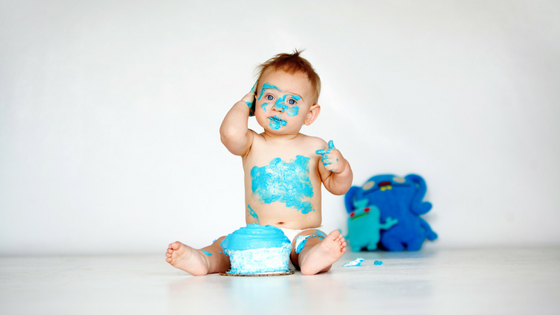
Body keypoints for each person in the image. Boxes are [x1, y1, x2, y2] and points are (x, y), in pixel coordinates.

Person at [166, 50, 353, 275]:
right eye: (269, 96)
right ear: (256, 100)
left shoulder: (317, 147)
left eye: (292, 100)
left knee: (313, 242)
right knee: (227, 245)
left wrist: (341, 168)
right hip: (259, 237)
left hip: (303, 233)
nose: (278, 106)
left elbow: (337, 186)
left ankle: (314, 257)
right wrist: (245, 102)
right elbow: (230, 134)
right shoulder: (252, 142)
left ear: (310, 115)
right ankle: (204, 260)